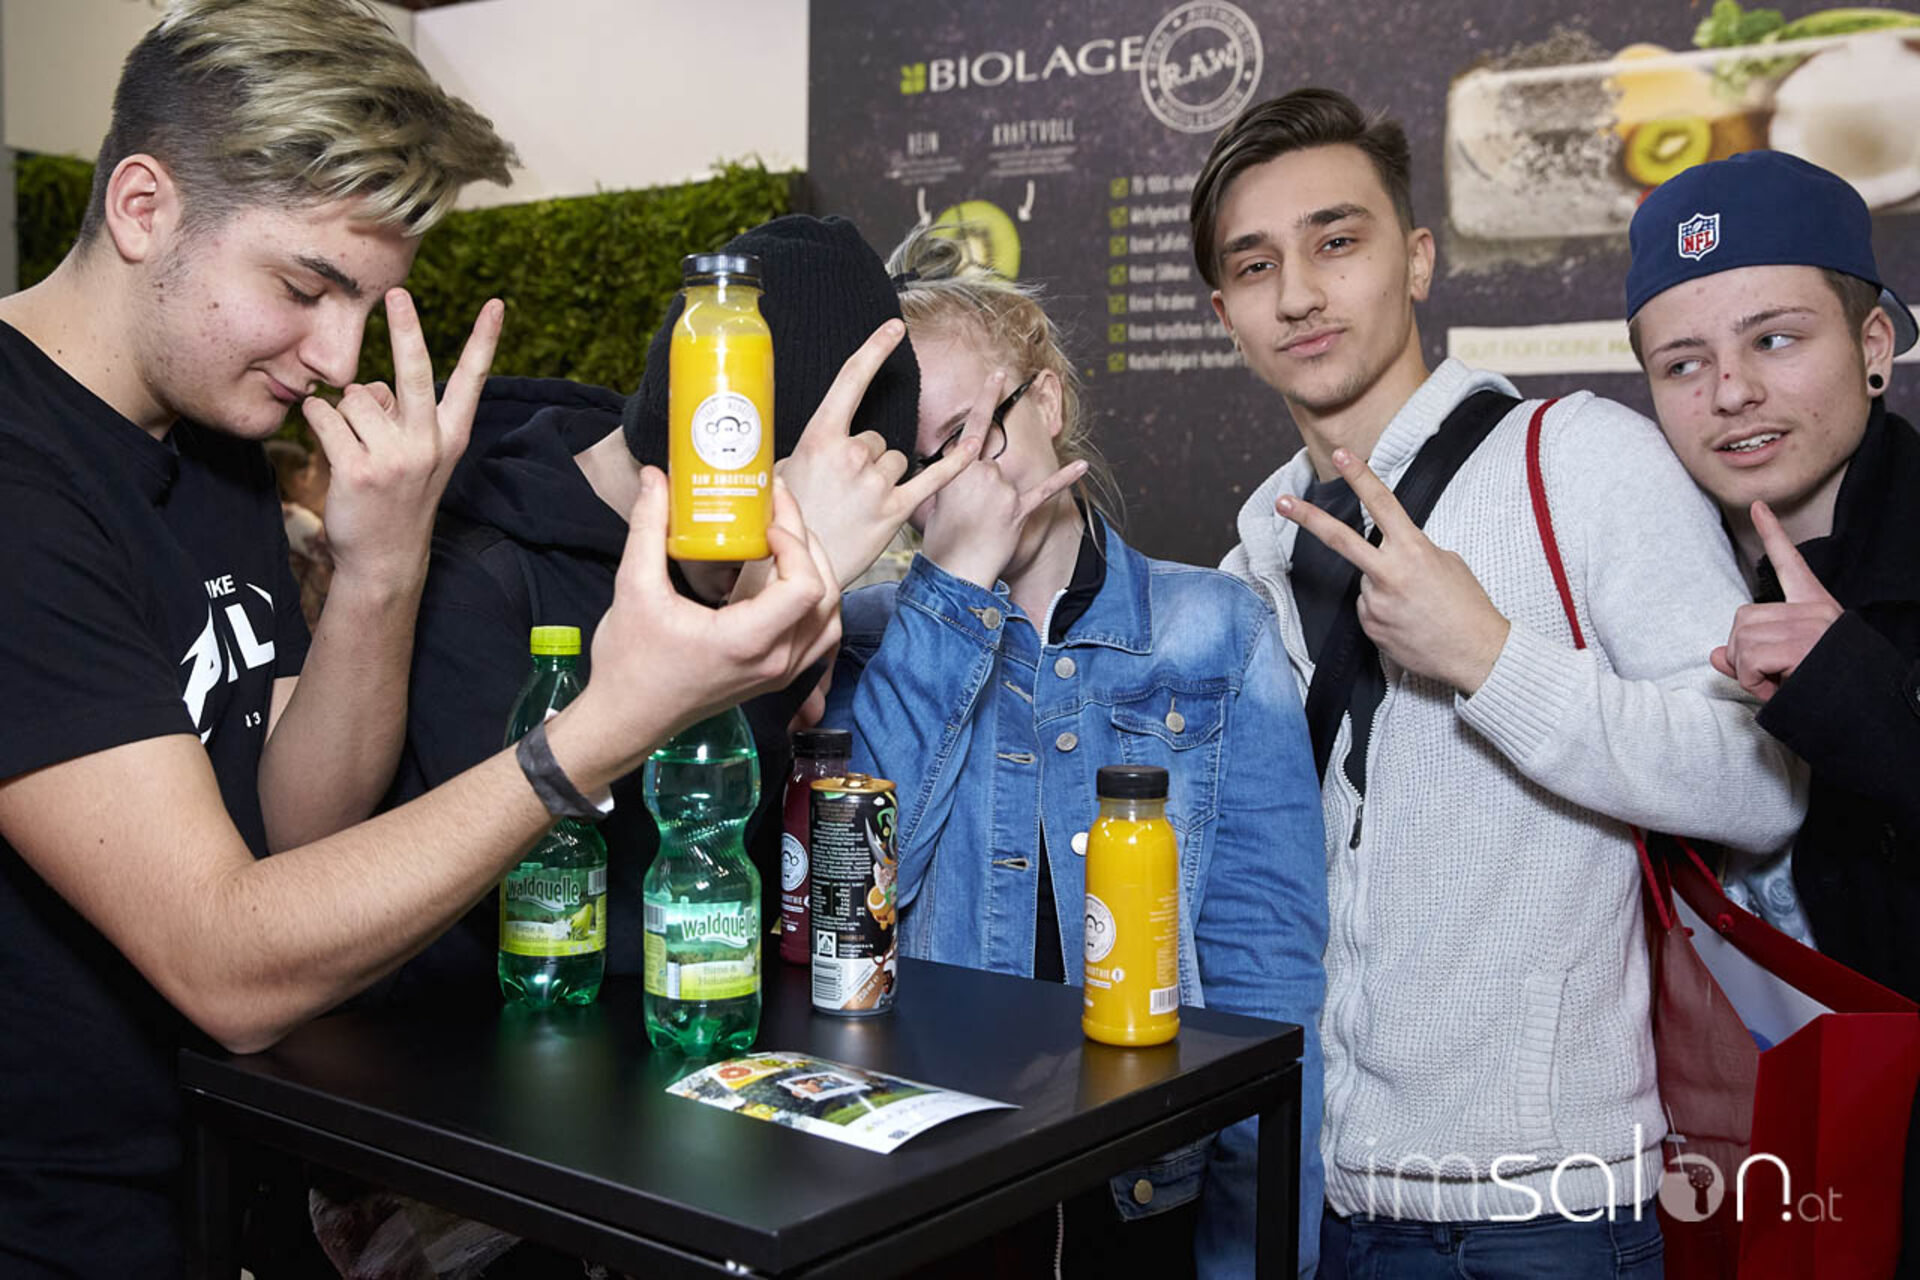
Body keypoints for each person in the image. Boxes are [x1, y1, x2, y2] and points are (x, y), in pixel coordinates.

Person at [0, 3, 839, 1275]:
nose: (335, 356)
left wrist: (383, 567)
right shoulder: (20, 469)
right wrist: (599, 730)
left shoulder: (214, 433)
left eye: (366, 303)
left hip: (217, 1179)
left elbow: (297, 828)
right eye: (303, 287)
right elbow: (226, 963)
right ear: (141, 207)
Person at [1189, 88, 1804, 1275]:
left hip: (1546, 1215)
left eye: (1336, 240)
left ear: (1417, 259)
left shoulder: (1578, 459)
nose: (1299, 293)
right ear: (1225, 312)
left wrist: (1488, 657)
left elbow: (1760, 779)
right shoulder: (1250, 562)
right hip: (1319, 1202)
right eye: (1256, 265)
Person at [824, 228, 1328, 1279]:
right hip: (932, 1190)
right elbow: (855, 907)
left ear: (1045, 402)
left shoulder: (1216, 626)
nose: (954, 488)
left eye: (969, 437)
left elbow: (1268, 969)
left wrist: (1259, 1247)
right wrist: (949, 598)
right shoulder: (870, 637)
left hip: (1146, 1196)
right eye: (919, 465)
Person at [384, 213, 955, 1004]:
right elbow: (609, 927)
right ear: (719, 455)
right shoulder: (480, 574)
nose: (792, 562)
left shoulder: (728, 570)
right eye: (784, 525)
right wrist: (760, 625)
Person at [1623, 151, 1920, 1275]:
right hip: (1713, 1169)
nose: (1732, 392)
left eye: (1777, 339)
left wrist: (1856, 687)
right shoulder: (1636, 578)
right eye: (1683, 363)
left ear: (1875, 345)